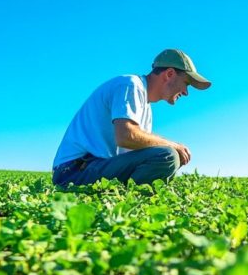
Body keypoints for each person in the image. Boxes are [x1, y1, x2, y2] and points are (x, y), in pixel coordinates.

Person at [51, 49, 211, 187]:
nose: (186, 92)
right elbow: (126, 136)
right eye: (186, 83)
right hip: (72, 171)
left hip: (94, 166)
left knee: (167, 156)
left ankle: (126, 198)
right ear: (169, 74)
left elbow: (132, 150)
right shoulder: (130, 85)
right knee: (167, 155)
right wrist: (173, 146)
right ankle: (130, 202)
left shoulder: (145, 107)